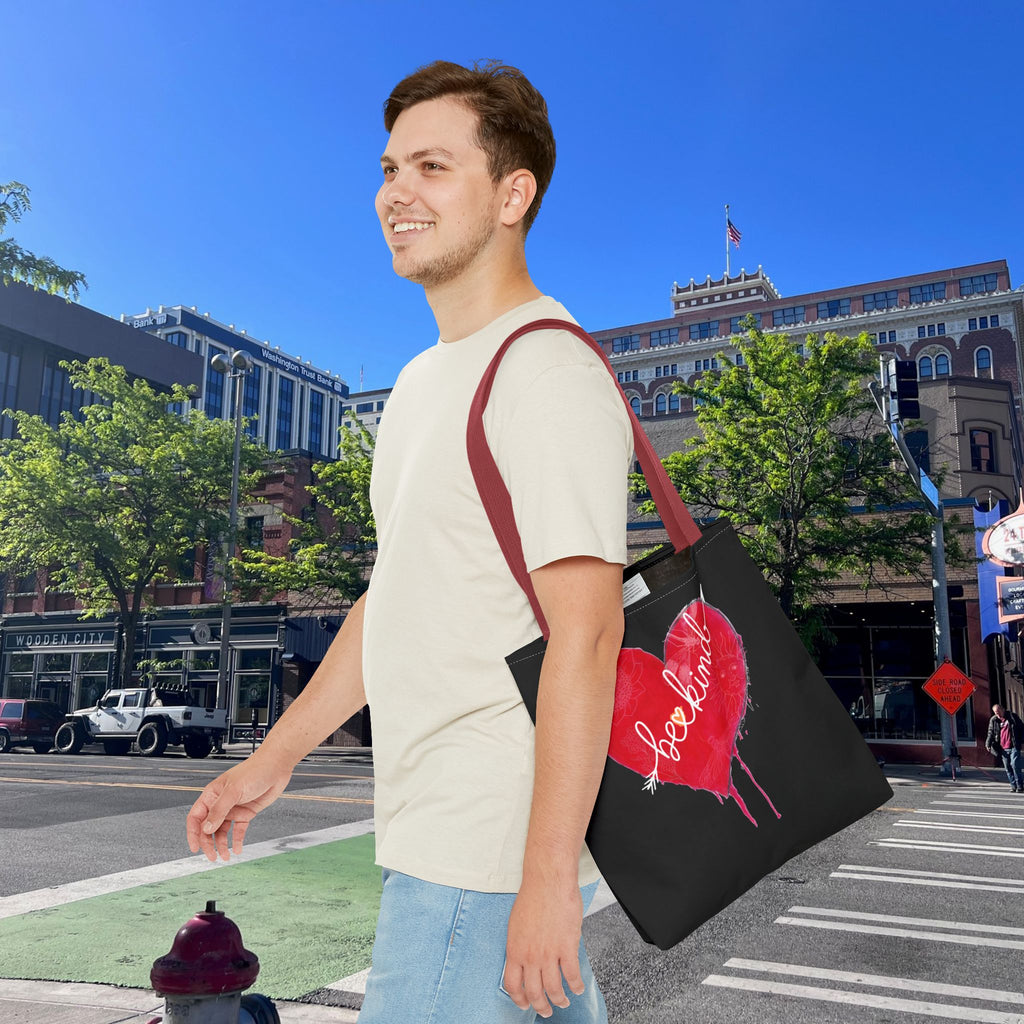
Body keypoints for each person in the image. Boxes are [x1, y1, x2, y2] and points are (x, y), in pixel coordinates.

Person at [186, 59, 632, 1023]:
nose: (396, 194)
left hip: (485, 857)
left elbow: (588, 635)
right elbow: (394, 605)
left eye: (432, 167)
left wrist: (546, 879)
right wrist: (274, 760)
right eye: (390, 169)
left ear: (515, 194)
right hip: (437, 840)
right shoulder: (422, 384)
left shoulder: (544, 370)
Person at [985, 703, 1024, 792]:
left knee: (1014, 765)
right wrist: (988, 744)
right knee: (1007, 767)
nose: (997, 714)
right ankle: (1013, 786)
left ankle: (1020, 786)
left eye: (998, 712)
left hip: (1014, 745)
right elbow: (990, 732)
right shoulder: (994, 720)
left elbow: (1021, 728)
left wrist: (1021, 740)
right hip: (1002, 747)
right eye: (995, 712)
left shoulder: (1012, 717)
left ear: (1003, 709)